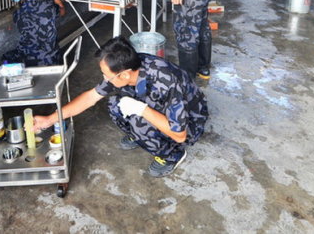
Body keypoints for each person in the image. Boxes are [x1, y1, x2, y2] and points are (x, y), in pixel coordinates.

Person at [32, 36, 208, 177]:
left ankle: (173, 155)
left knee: (139, 122)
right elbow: (90, 97)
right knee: (115, 105)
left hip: (189, 123)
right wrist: (49, 119)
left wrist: (142, 110)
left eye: (106, 75)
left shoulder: (166, 82)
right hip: (158, 106)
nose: (104, 79)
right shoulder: (128, 67)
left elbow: (180, 135)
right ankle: (140, 135)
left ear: (124, 75)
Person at [4, 0, 66, 66]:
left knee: (7, 56)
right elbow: (62, 13)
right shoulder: (47, 4)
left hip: (28, 60)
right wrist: (60, 4)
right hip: (51, 58)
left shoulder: (16, 14)